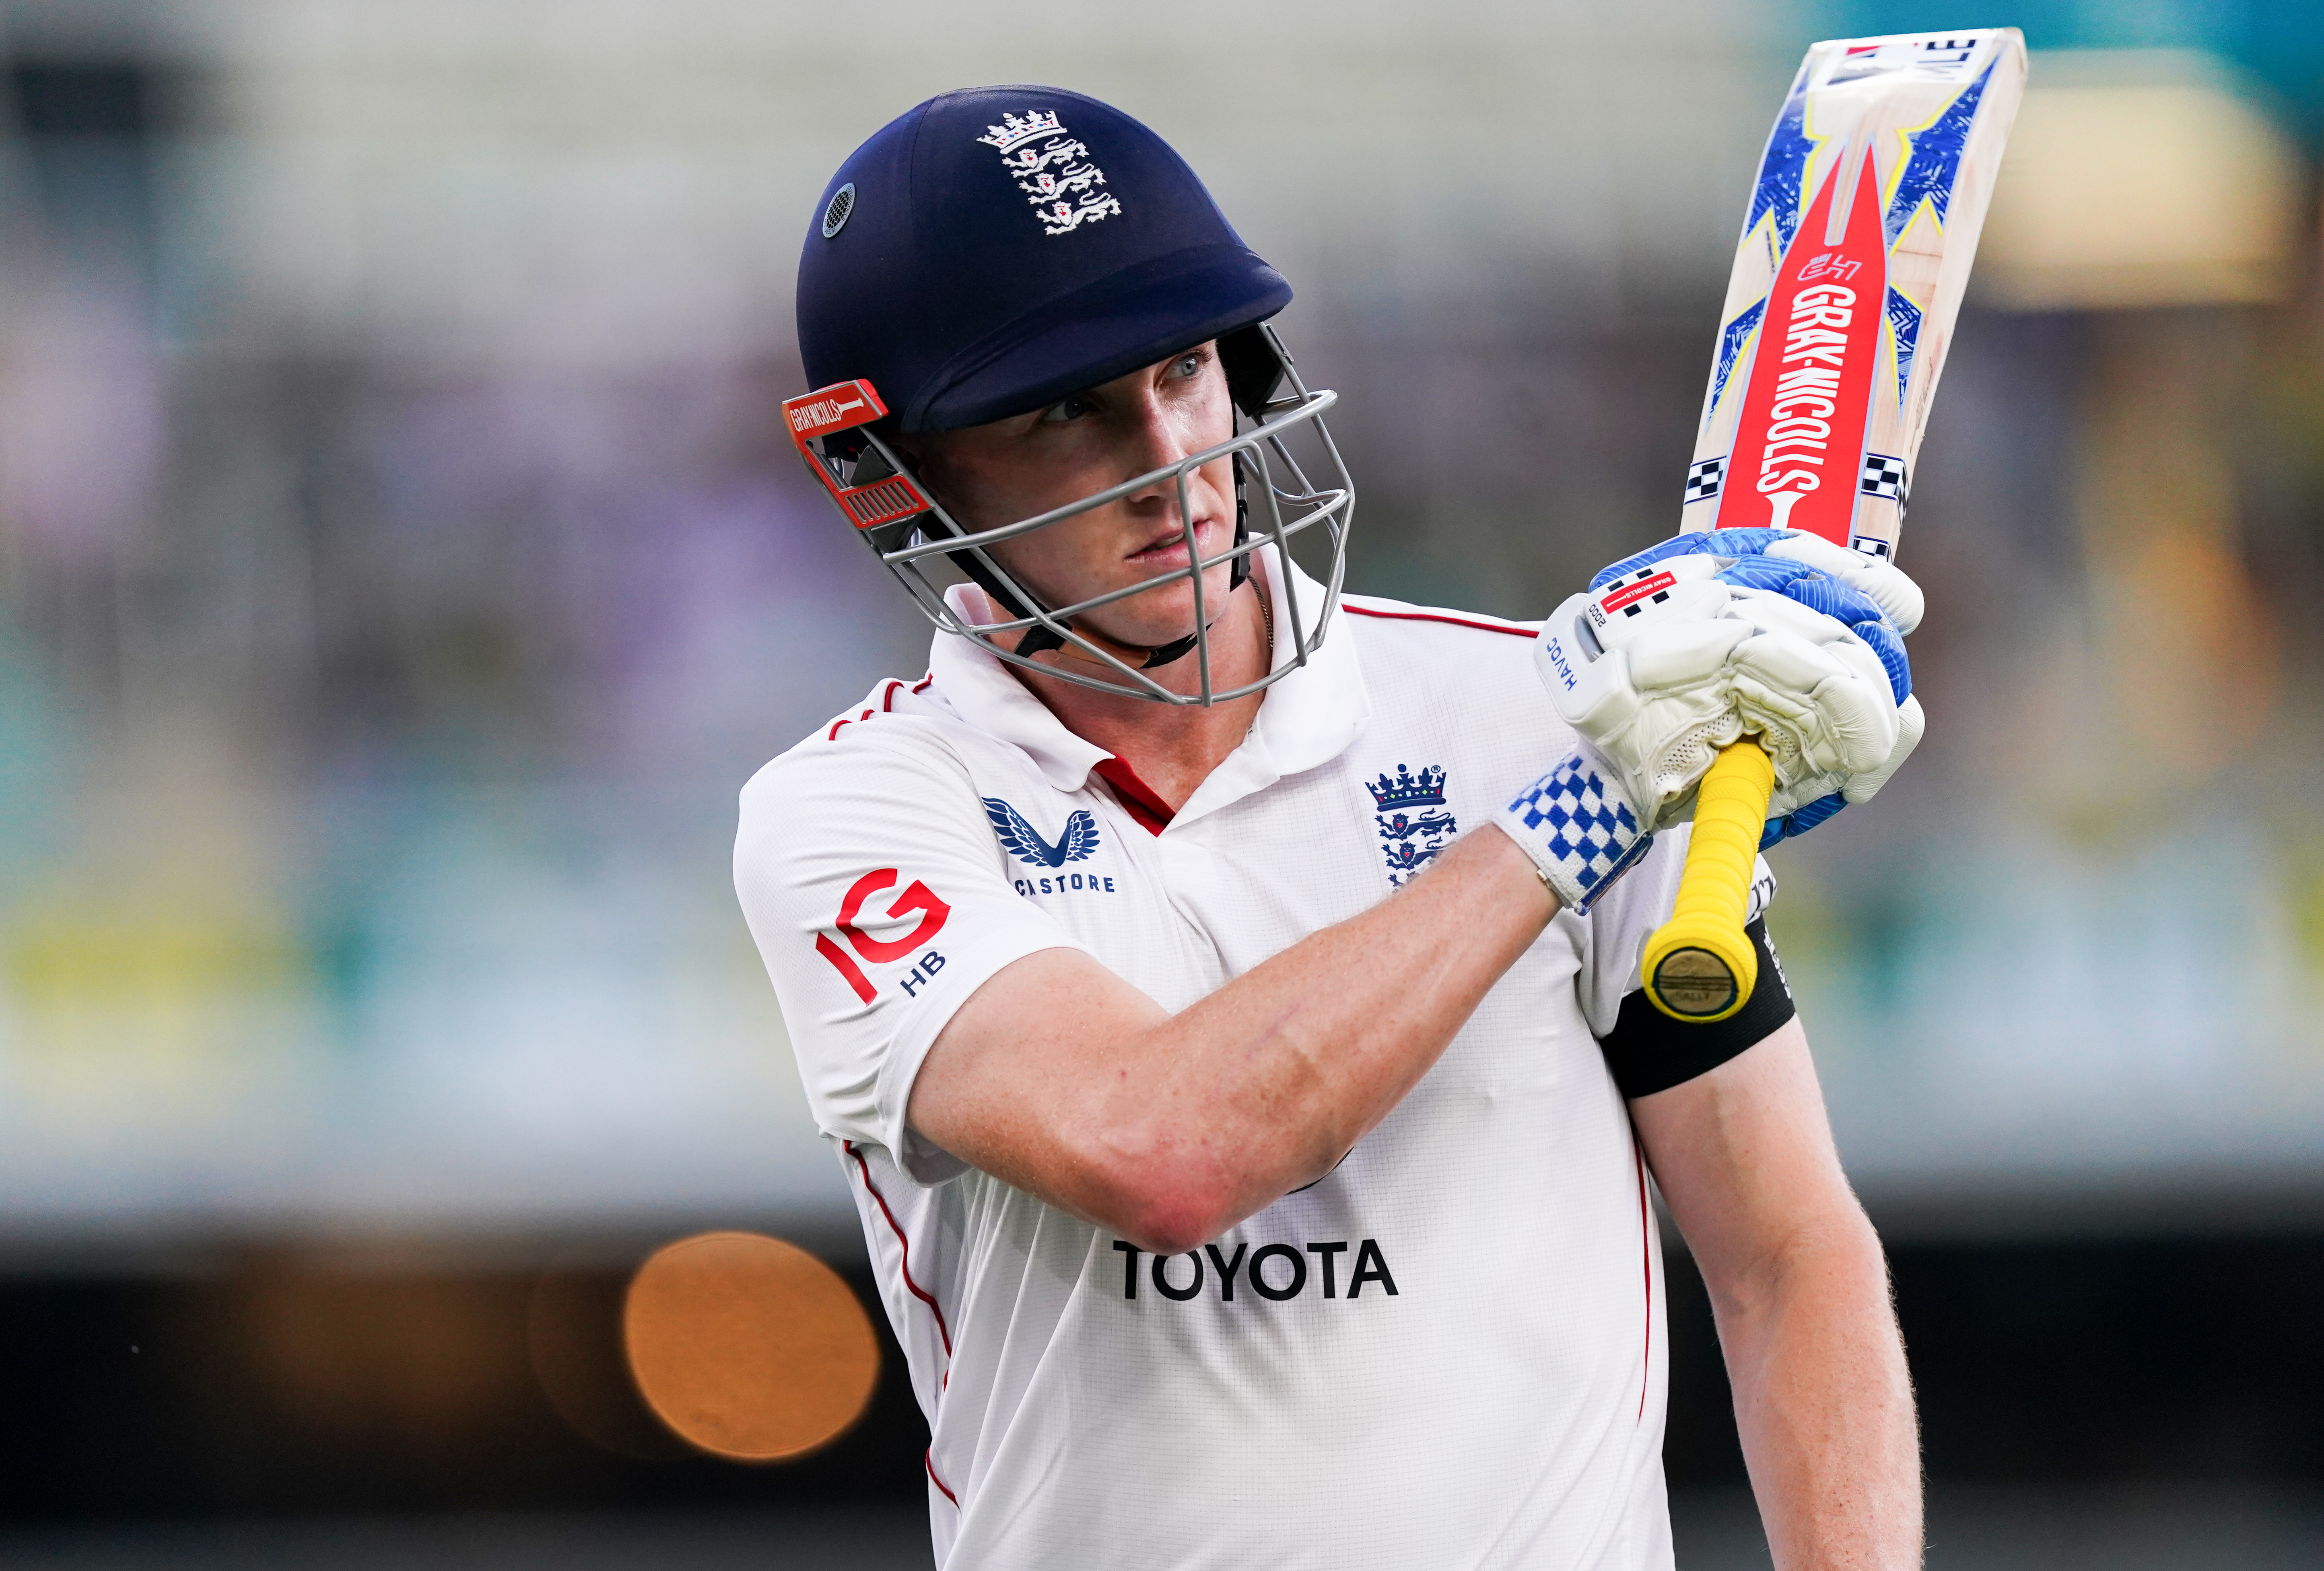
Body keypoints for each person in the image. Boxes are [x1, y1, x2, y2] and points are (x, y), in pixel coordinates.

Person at [737, 86, 1924, 1571]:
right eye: (1065, 411)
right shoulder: (853, 813)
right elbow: (1164, 1151)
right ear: (894, 472)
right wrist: (1588, 813)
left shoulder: (1551, 713)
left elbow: (1785, 1256)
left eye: (1185, 370)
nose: (1171, 460)